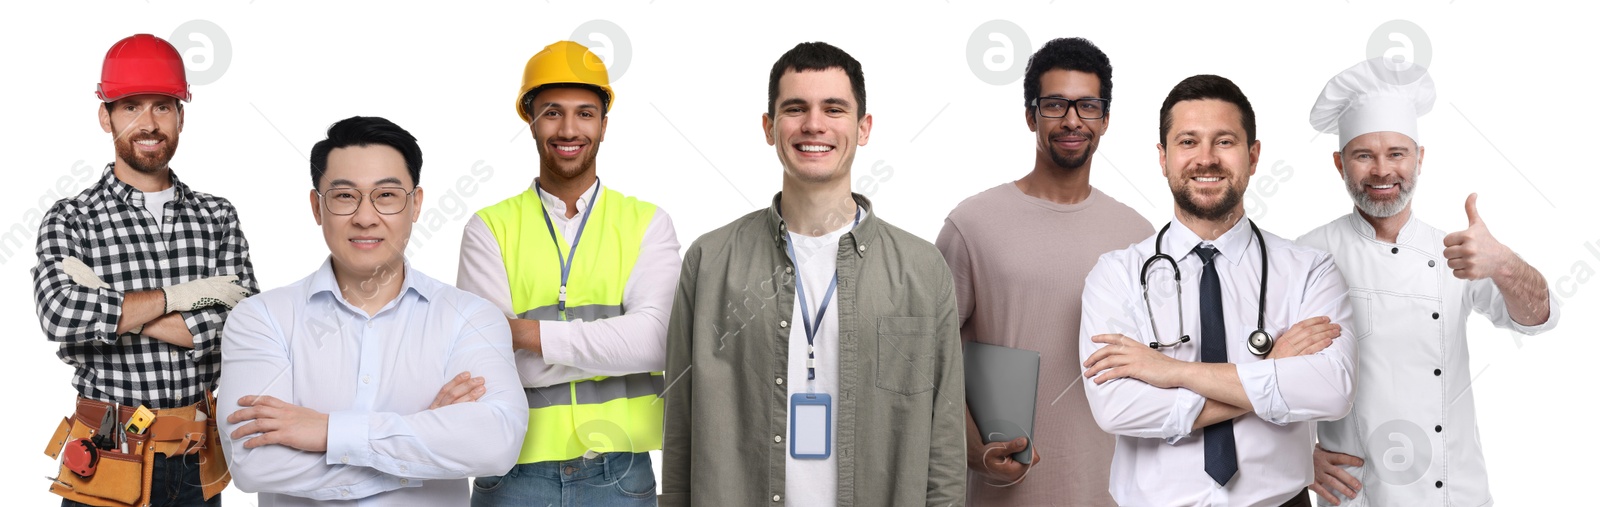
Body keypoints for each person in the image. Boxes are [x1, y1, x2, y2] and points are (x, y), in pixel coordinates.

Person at [660, 41, 965, 506]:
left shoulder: (922, 270)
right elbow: (679, 429)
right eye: (795, 108)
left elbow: (943, 442)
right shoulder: (709, 262)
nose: (814, 124)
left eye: (834, 109)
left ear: (863, 128)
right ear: (769, 127)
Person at [217, 116, 527, 506]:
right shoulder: (261, 318)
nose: (365, 217)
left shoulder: (472, 317)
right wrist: (422, 444)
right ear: (317, 207)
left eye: (386, 196)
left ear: (415, 205)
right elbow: (254, 464)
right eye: (345, 196)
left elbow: (496, 444)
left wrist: (328, 432)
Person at [1078, 74, 1357, 507]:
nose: (1205, 159)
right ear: (1163, 157)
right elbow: (1116, 407)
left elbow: (1331, 390)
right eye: (1188, 142)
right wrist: (1272, 369)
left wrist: (1171, 371)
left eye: (1224, 142)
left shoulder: (1308, 270)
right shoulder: (1115, 275)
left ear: (1253, 154)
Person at [1297, 59, 1559, 506]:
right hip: (1362, 493)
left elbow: (1539, 319)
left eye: (1397, 153)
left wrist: (1502, 263)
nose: (1382, 171)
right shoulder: (1305, 255)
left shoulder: (1458, 250)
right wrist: (1300, 456)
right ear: (1340, 164)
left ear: (1420, 159)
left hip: (1455, 489)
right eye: (1364, 155)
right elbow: (1268, 374)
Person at [35, 33, 256, 507]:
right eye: (131, 106)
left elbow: (245, 326)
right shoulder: (71, 219)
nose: (149, 122)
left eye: (162, 106)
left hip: (196, 458)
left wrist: (114, 308)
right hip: (107, 456)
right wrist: (186, 296)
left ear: (181, 116)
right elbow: (60, 316)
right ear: (105, 116)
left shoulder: (217, 217)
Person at [458, 40, 680, 506]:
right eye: (552, 112)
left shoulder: (647, 223)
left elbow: (656, 342)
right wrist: (611, 352)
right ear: (531, 122)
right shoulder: (489, 228)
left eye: (584, 113)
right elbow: (487, 365)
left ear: (603, 125)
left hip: (619, 471)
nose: (569, 128)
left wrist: (523, 333)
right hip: (512, 470)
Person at [936, 36, 1150, 506]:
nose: (1072, 120)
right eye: (1055, 104)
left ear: (1105, 119)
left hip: (1112, 493)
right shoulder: (972, 224)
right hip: (1006, 492)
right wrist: (969, 444)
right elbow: (928, 356)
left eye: (1087, 106)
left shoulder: (1139, 235)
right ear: (1031, 116)